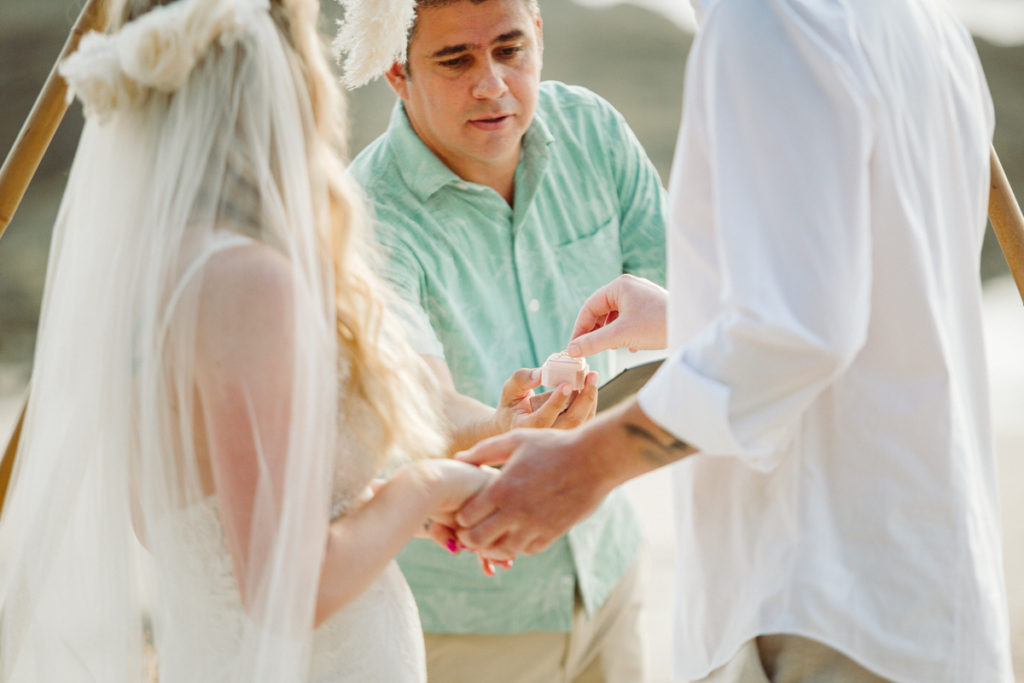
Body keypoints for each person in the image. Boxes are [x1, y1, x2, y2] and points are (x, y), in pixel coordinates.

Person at [454, 0, 1016, 681]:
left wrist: (581, 467)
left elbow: (794, 336)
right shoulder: (922, 22)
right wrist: (695, 318)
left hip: (822, 600)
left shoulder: (769, 20)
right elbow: (871, 294)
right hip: (926, 593)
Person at [0, 0, 500, 680]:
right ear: (277, 77)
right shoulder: (249, 283)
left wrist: (379, 510)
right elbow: (282, 589)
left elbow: (178, 519)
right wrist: (426, 482)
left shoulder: (152, 270)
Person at [332, 0, 667, 679]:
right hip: (468, 620)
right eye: (456, 60)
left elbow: (683, 290)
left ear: (537, 34)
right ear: (396, 72)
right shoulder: (363, 215)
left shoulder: (594, 131)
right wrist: (502, 425)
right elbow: (416, 399)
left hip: (609, 570)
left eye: (509, 50)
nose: (491, 84)